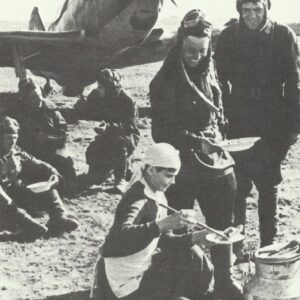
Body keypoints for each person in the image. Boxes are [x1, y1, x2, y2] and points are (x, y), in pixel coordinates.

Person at [150, 10, 243, 298]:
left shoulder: (209, 66)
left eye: (202, 50)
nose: (196, 55)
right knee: (180, 228)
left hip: (215, 160)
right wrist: (194, 142)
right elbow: (161, 131)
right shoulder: (164, 80)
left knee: (223, 223)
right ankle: (181, 285)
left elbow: (218, 105)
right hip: (183, 166)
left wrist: (220, 135)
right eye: (190, 49)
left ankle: (225, 281)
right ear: (180, 44)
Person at [91, 143, 243, 300]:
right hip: (126, 280)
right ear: (151, 170)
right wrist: (162, 225)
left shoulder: (156, 193)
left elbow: (162, 240)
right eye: (169, 176)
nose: (174, 182)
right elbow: (117, 239)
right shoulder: (137, 199)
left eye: (175, 176)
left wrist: (197, 236)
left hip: (143, 266)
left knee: (200, 262)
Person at [214, 0, 300, 247]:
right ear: (239, 11)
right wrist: (221, 121)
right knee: (237, 187)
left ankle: (268, 246)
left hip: (273, 122)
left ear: (267, 8)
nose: (251, 16)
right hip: (238, 121)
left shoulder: (283, 35)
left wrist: (293, 128)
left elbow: (294, 85)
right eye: (246, 10)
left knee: (268, 183)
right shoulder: (229, 36)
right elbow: (217, 82)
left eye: (257, 10)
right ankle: (236, 247)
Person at [0, 117, 78, 241]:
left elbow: (38, 164)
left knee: (45, 181)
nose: (12, 142)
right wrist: (4, 171)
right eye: (9, 138)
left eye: (15, 138)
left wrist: (53, 174)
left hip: (13, 198)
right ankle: (28, 225)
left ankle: (59, 217)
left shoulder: (16, 151)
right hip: (4, 204)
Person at [77, 69, 139, 193]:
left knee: (118, 144)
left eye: (101, 87)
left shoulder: (127, 101)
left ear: (110, 87)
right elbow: (88, 114)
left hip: (127, 136)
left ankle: (120, 179)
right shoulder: (96, 96)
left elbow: (130, 126)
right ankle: (103, 172)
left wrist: (109, 127)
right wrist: (82, 106)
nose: (98, 89)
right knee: (94, 155)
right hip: (105, 135)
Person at [16, 78, 77, 194]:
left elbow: (63, 134)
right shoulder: (18, 113)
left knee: (67, 165)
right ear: (25, 99)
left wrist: (48, 138)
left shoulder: (50, 108)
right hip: (30, 154)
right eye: (33, 97)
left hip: (52, 149)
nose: (38, 99)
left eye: (39, 95)